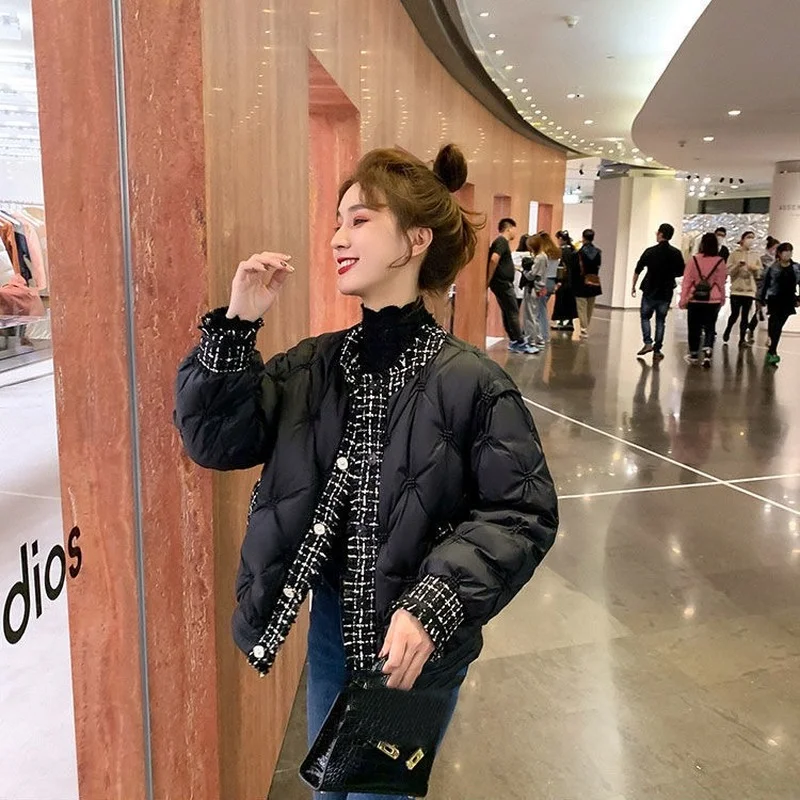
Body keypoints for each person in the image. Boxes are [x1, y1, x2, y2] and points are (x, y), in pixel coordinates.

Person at [174, 144, 559, 800]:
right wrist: (237, 324)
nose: (337, 238)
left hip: (416, 643)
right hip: (333, 626)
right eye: (337, 222)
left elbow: (522, 512)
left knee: (375, 796)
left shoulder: (471, 381)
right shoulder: (314, 366)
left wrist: (434, 603)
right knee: (331, 792)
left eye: (359, 221)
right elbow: (214, 439)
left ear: (415, 240)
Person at [631, 222, 686, 360]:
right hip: (666, 291)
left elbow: (638, 269)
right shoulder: (676, 253)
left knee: (645, 317)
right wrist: (670, 274)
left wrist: (633, 286)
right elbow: (681, 271)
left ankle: (647, 342)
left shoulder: (650, 251)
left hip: (649, 288)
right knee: (661, 320)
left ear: (661, 234)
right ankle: (657, 349)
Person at [679, 231, 727, 367]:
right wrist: (722, 298)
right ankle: (707, 352)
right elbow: (721, 282)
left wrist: (683, 299)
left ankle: (694, 353)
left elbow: (687, 281)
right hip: (713, 299)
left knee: (694, 326)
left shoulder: (694, 260)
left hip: (695, 298)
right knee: (710, 326)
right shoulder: (720, 261)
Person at [488, 218, 535, 353]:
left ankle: (515, 340)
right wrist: (488, 278)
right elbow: (494, 259)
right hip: (502, 283)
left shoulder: (501, 242)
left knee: (508, 311)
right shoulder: (501, 242)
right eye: (514, 229)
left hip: (502, 282)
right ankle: (519, 341)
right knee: (513, 311)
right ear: (509, 229)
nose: (515, 233)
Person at [759, 242, 800, 366]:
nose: (788, 254)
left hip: (789, 300)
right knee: (775, 324)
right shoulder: (773, 268)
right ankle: (773, 351)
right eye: (785, 252)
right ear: (780, 253)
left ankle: (772, 347)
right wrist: (761, 299)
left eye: (790, 251)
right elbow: (765, 284)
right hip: (775, 299)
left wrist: (798, 299)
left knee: (778, 325)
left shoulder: (796, 268)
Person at [723, 231, 761, 347]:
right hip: (736, 290)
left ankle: (742, 339)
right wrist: (737, 266)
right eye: (748, 237)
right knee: (734, 314)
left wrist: (754, 269)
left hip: (749, 291)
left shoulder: (755, 255)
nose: (751, 240)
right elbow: (728, 271)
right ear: (742, 239)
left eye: (753, 238)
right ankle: (728, 328)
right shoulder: (734, 254)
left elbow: (759, 273)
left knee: (745, 316)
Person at [522, 232, 561, 347]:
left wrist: (524, 272)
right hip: (547, 284)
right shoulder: (549, 255)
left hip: (535, 287)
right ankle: (540, 337)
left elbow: (532, 275)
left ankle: (533, 339)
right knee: (539, 312)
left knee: (532, 315)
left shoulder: (539, 258)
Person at [569, 228, 602, 339]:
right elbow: (598, 266)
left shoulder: (578, 253)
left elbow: (574, 270)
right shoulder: (598, 252)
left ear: (583, 238)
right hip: (594, 281)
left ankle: (583, 328)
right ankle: (585, 326)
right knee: (590, 306)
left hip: (580, 282)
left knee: (581, 306)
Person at [747, 235, 780, 341]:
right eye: (775, 248)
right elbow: (758, 274)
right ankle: (751, 328)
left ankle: (770, 336)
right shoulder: (762, 260)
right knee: (759, 311)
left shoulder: (779, 262)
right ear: (769, 248)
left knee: (772, 314)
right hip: (762, 290)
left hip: (774, 291)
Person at [552, 230, 577, 330]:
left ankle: (561, 321)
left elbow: (560, 267)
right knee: (570, 302)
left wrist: (558, 280)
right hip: (573, 280)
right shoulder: (573, 250)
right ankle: (570, 321)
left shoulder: (562, 251)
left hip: (564, 280)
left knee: (561, 301)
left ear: (561, 239)